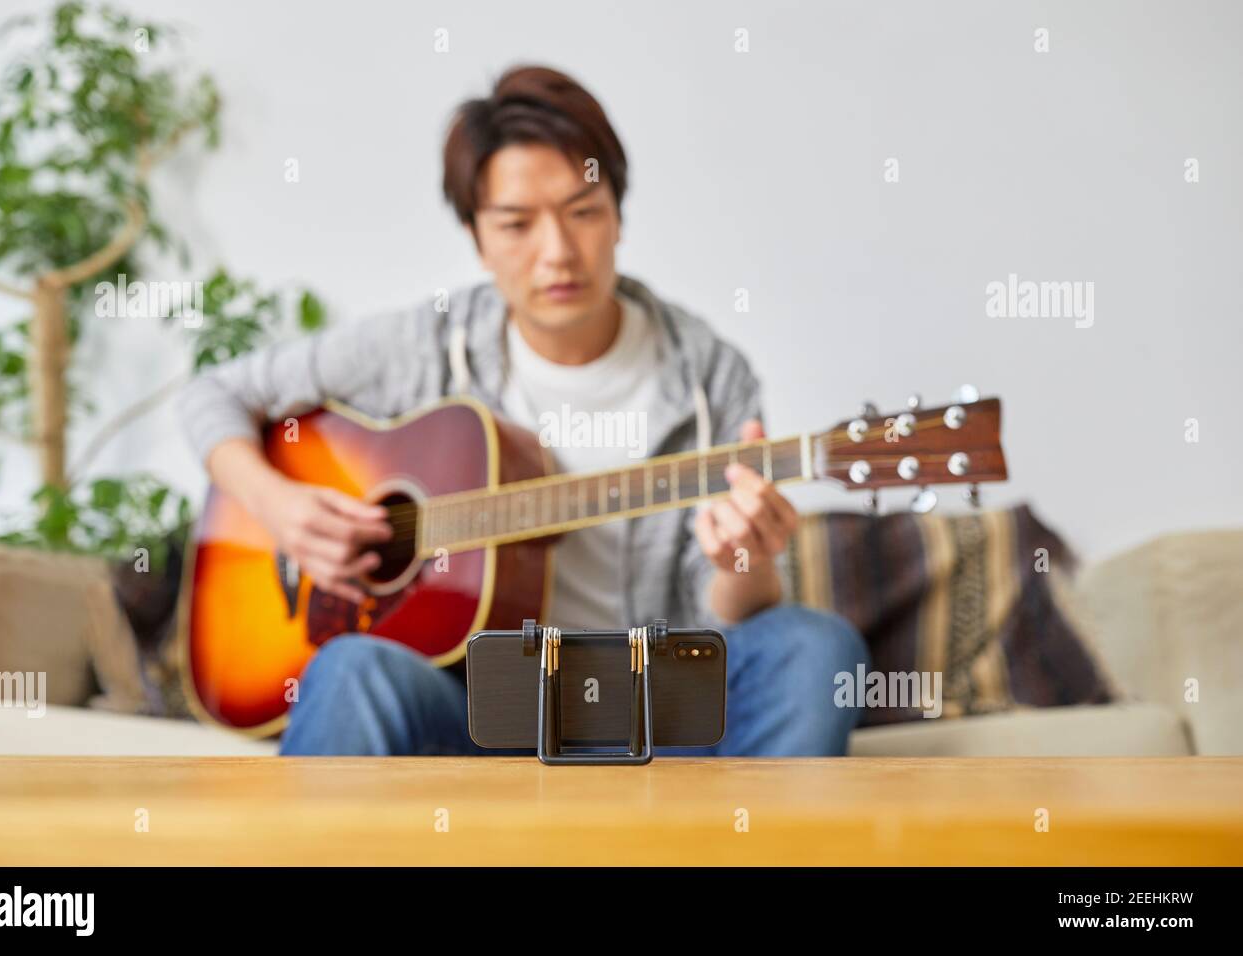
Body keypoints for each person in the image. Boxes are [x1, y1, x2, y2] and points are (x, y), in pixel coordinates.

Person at [176, 65, 868, 757]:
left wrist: (745, 558)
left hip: (649, 718)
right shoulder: (422, 345)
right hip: (472, 710)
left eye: (584, 212)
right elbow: (213, 394)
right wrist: (281, 509)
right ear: (478, 239)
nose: (558, 253)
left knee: (814, 647)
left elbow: (723, 619)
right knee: (351, 667)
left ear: (620, 215)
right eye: (516, 224)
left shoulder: (711, 374)